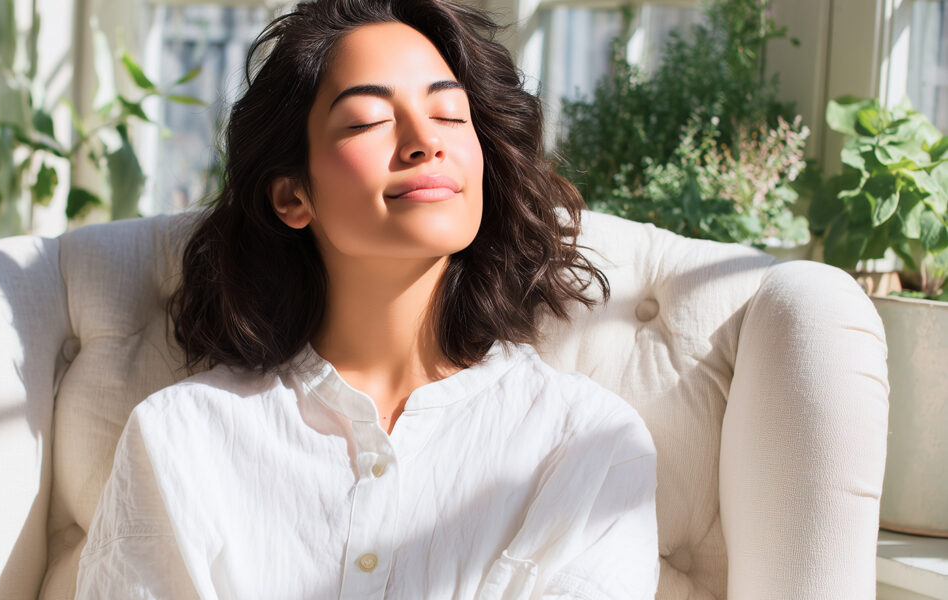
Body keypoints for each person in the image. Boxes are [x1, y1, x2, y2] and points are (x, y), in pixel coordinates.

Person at [75, 0, 659, 597]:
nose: (424, 141)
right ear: (293, 196)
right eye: (366, 120)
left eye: (451, 114)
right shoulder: (183, 437)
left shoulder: (589, 445)